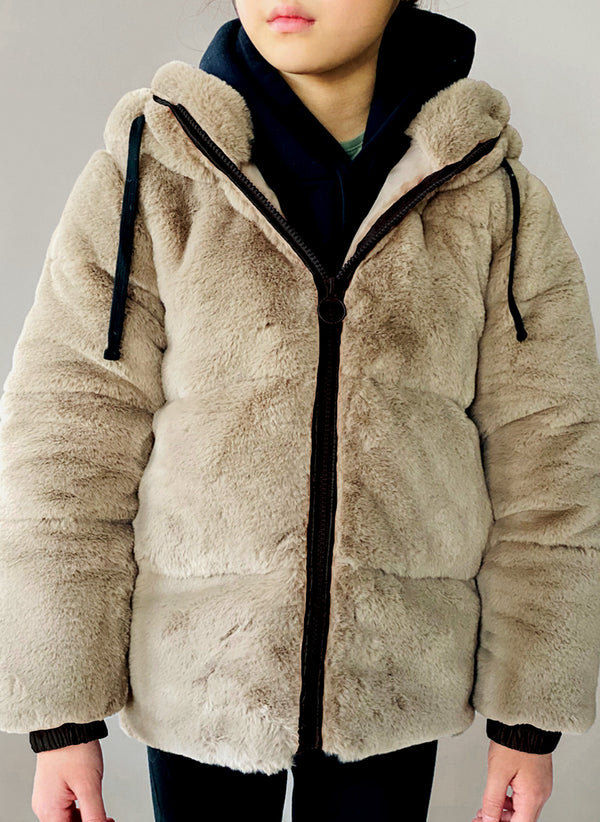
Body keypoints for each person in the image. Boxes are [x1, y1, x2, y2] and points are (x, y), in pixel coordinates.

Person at [1, 0, 599, 820]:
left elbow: (552, 454)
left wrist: (529, 714)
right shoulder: (154, 174)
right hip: (199, 682)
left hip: (394, 682)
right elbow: (68, 437)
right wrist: (62, 712)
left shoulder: (490, 195)